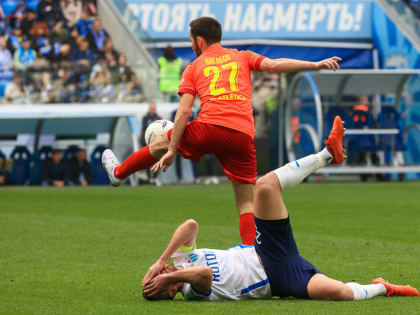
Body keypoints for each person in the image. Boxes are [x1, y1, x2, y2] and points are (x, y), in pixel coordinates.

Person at [102, 17, 342, 245]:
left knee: (159, 144)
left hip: (209, 128)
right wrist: (315, 64)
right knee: (247, 202)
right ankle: (251, 257)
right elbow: (275, 65)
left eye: (191, 41)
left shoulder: (194, 66)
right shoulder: (241, 56)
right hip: (242, 135)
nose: (192, 46)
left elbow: (184, 113)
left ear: (199, 40)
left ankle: (120, 173)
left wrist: (172, 148)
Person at [141, 117, 420, 301]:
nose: (163, 270)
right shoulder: (191, 290)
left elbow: (190, 225)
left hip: (265, 250)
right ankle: (384, 287)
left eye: (161, 272)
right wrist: (170, 276)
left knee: (264, 187)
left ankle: (327, 155)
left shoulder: (179, 260)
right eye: (162, 278)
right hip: (279, 279)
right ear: (170, 289)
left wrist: (160, 261)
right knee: (341, 293)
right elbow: (205, 276)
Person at [141, 103, 162, 186]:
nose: (152, 110)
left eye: (154, 108)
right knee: (147, 161)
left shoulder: (159, 118)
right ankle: (149, 177)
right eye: (151, 108)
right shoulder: (145, 118)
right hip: (147, 143)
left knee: (158, 160)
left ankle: (155, 178)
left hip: (157, 144)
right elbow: (143, 130)